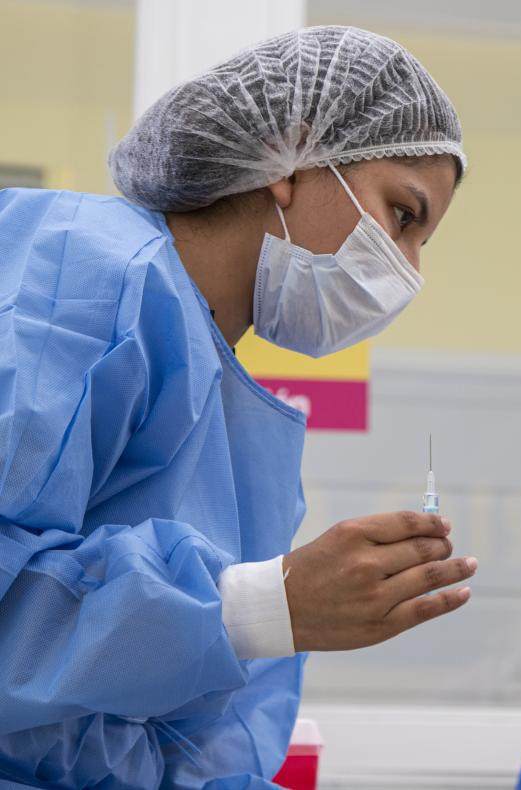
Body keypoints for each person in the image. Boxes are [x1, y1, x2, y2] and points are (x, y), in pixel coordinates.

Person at [0, 26, 476, 788]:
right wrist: (263, 606)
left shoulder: (220, 402)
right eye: (403, 215)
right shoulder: (84, 276)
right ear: (295, 151)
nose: (408, 270)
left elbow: (188, 738)